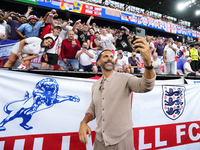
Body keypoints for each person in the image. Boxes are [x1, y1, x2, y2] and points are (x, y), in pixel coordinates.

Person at [78, 36, 155, 150]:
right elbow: (93, 109)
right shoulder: (95, 85)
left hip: (122, 140)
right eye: (105, 56)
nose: (109, 58)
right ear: (98, 62)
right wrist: (84, 122)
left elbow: (146, 86)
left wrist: (148, 63)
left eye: (111, 56)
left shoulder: (125, 78)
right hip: (100, 141)